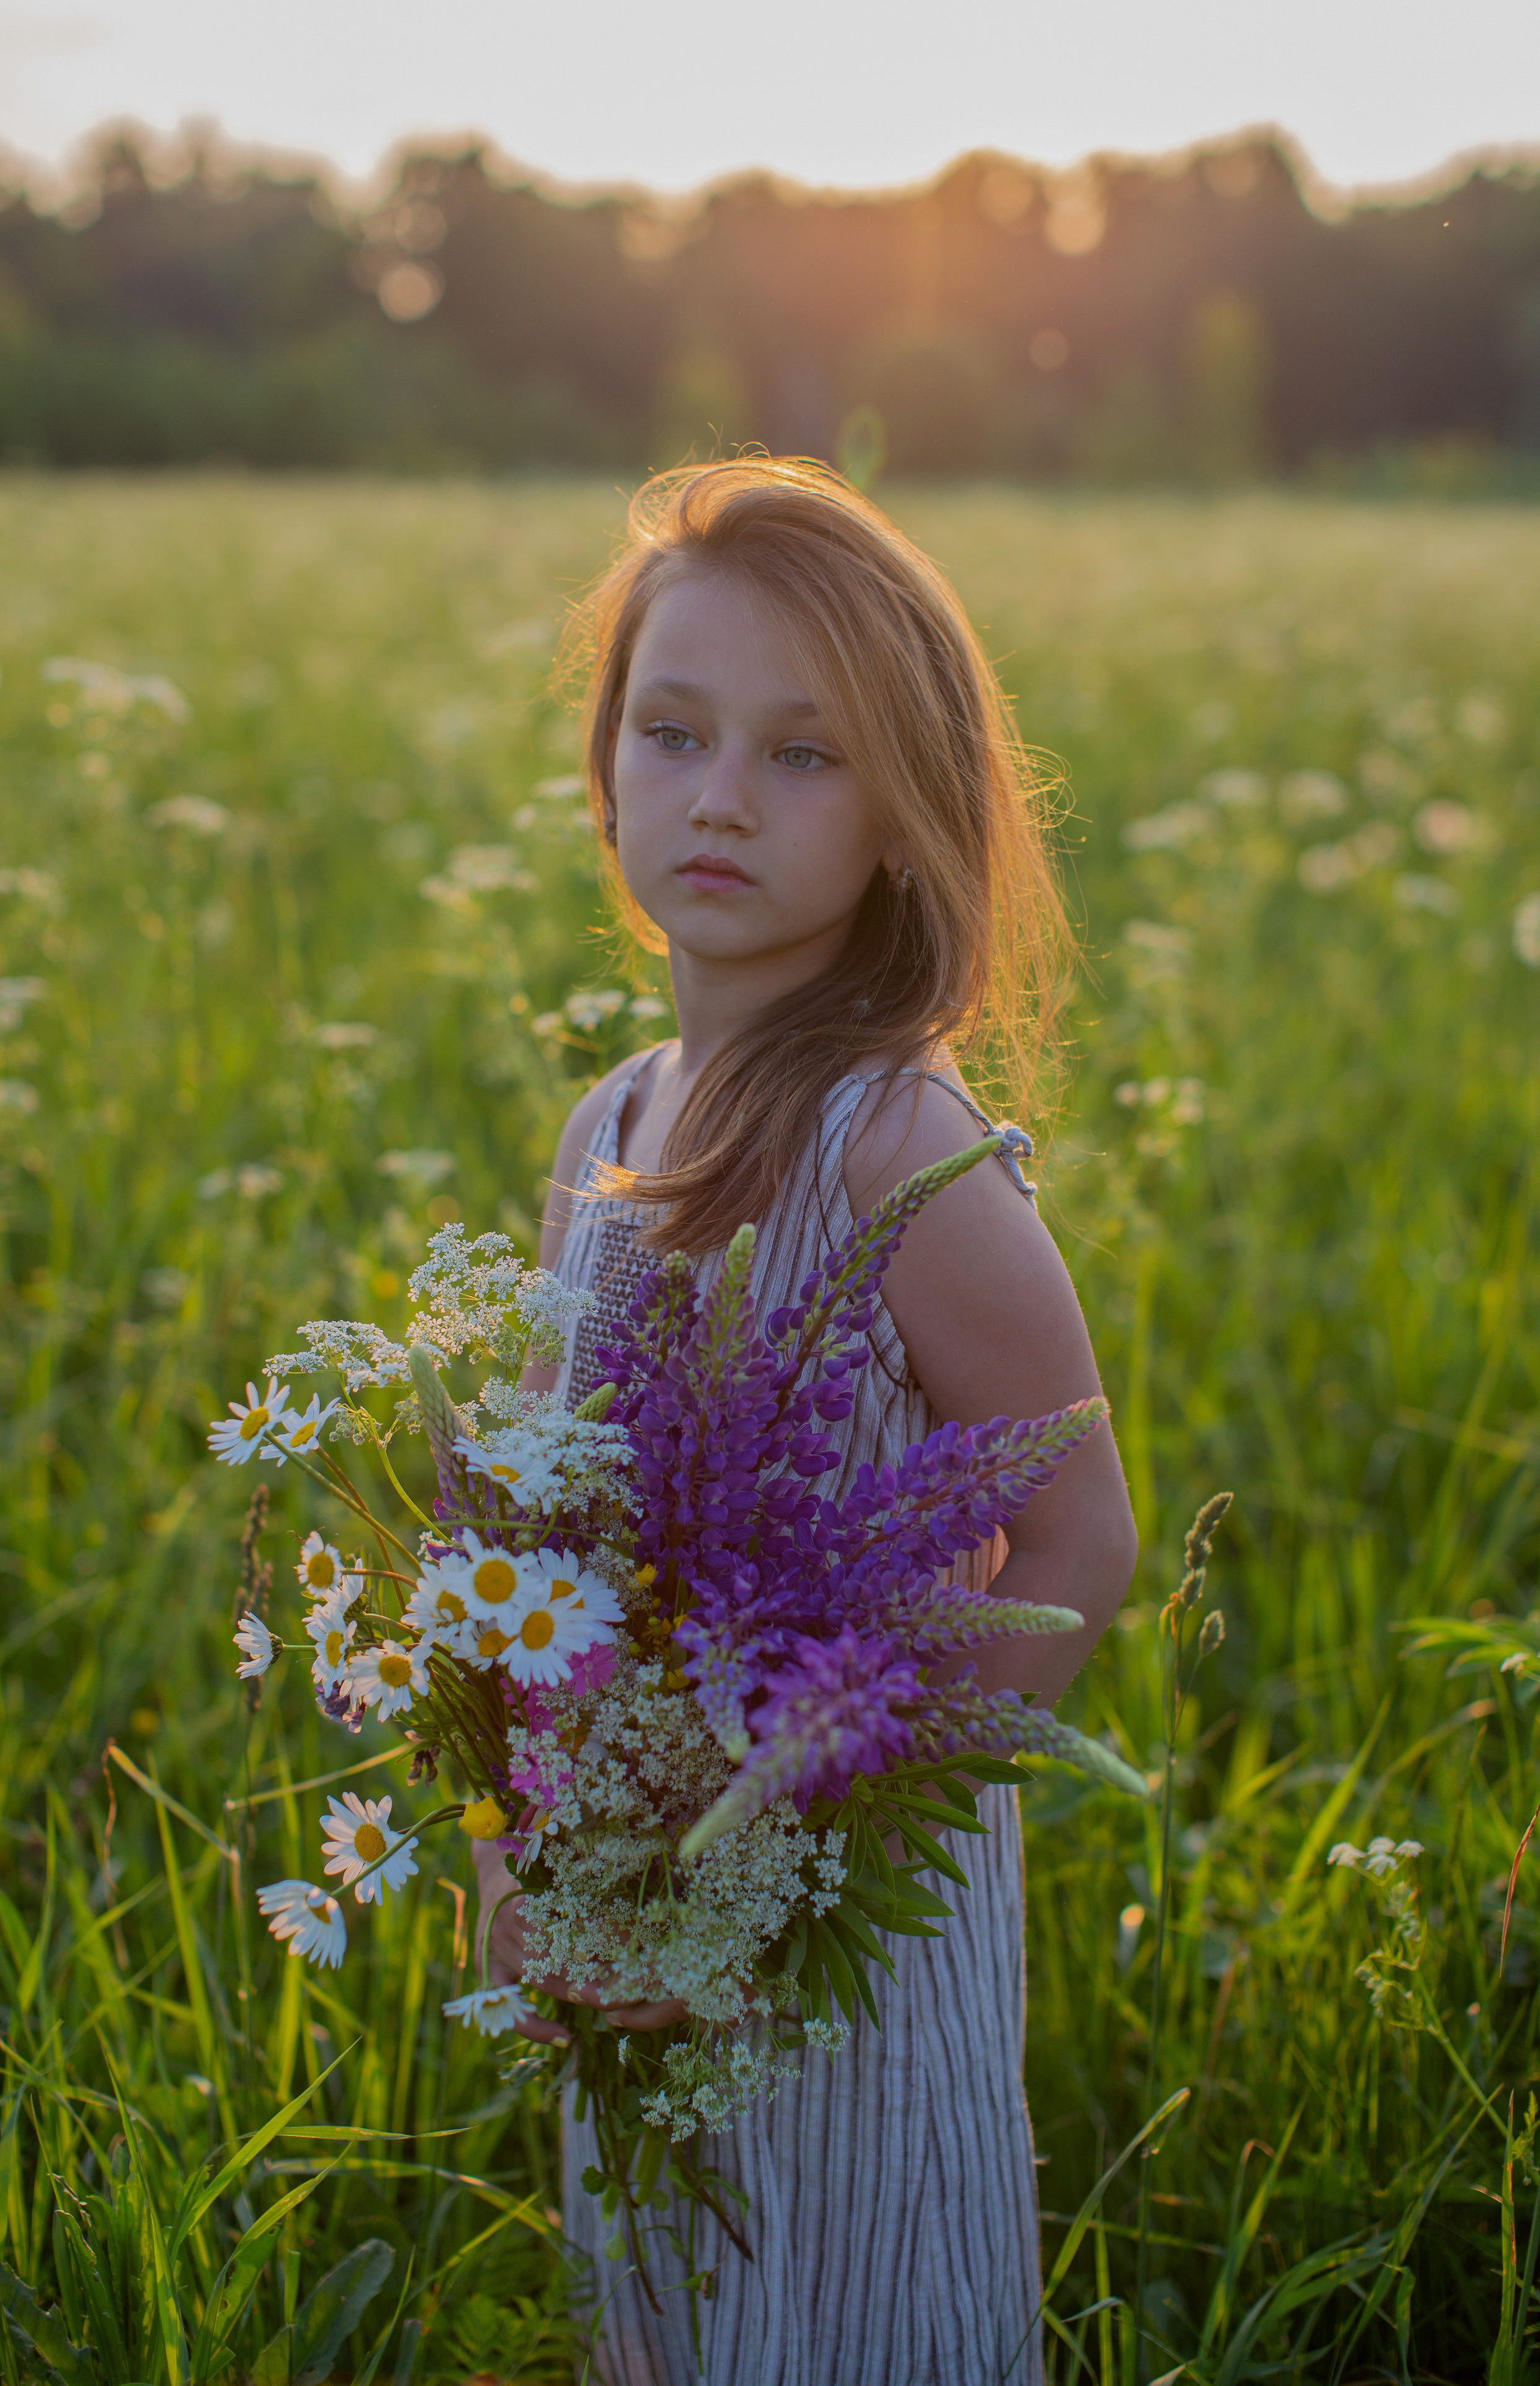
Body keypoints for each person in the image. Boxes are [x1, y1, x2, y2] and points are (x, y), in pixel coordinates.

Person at [473, 457, 1137, 2386]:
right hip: (630, 1913)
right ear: (606, 766)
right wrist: (525, 1859)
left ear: (906, 821)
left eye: (804, 756)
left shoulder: (904, 1155)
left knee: (850, 2305)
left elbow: (1082, 1531)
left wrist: (818, 1828)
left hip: (835, 1927)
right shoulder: (608, 1130)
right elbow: (538, 1553)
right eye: (672, 733)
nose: (720, 798)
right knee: (676, 2304)